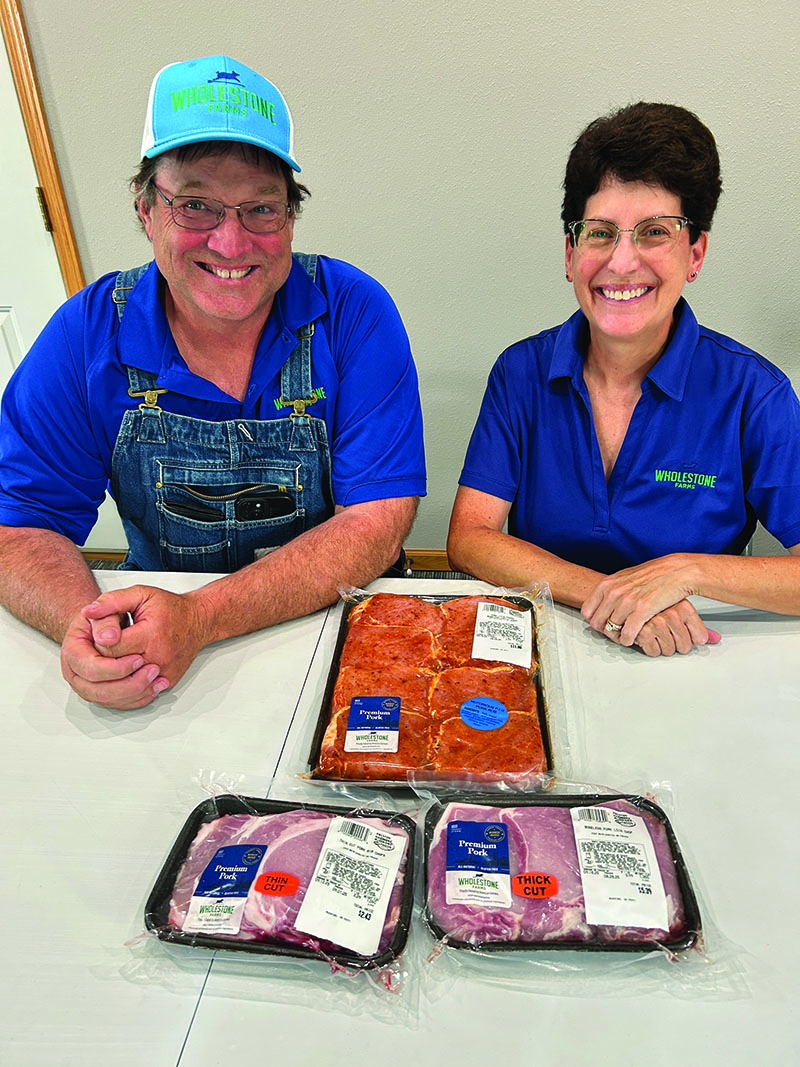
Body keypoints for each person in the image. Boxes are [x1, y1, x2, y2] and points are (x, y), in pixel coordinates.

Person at [0, 55, 425, 707]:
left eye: (261, 208)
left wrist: (202, 618)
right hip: (163, 653)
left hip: (332, 627)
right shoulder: (89, 334)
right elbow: (18, 524)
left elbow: (377, 521)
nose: (230, 243)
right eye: (195, 204)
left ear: (290, 218)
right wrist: (97, 636)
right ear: (146, 211)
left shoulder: (353, 313)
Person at [448, 102, 800, 657]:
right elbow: (471, 539)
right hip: (546, 645)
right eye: (600, 233)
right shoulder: (521, 372)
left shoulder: (755, 393)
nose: (623, 261)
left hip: (692, 649)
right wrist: (613, 596)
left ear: (696, 252)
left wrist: (685, 573)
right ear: (571, 253)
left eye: (656, 232)